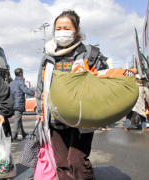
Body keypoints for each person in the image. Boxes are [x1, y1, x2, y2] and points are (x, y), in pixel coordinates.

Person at [36, 10, 109, 180]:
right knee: (61, 162)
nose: (62, 31)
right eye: (58, 28)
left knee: (77, 161)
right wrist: (40, 111)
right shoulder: (48, 55)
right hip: (55, 116)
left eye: (66, 28)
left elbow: (104, 79)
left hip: (81, 116)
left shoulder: (90, 53)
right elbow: (41, 84)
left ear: (76, 30)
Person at [9, 68, 35, 140]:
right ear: (21, 74)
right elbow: (25, 89)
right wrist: (34, 93)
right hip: (18, 103)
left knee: (18, 118)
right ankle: (13, 135)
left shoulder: (11, 83)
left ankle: (23, 133)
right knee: (17, 119)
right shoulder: (20, 81)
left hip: (12, 103)